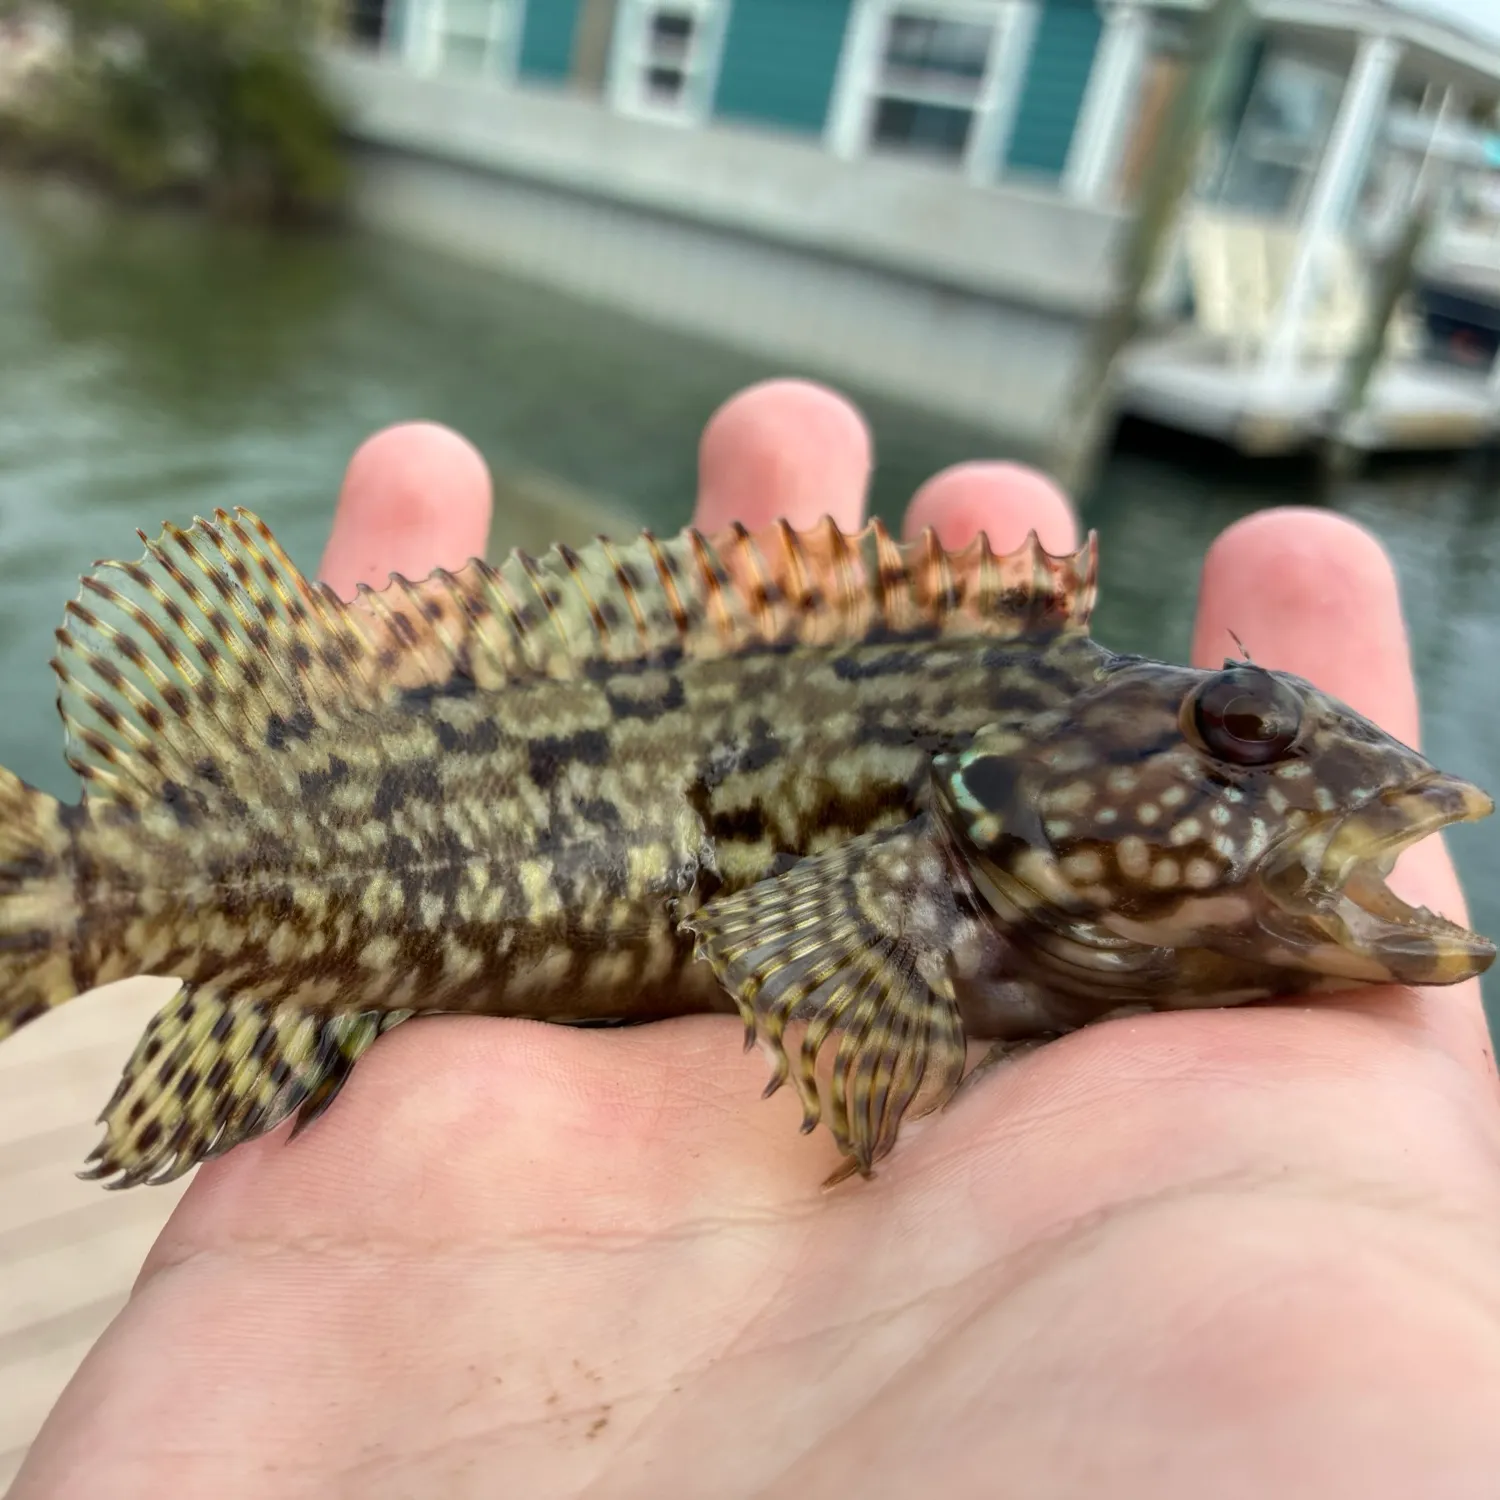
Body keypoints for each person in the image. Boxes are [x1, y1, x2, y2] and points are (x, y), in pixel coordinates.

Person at [13, 380, 1500, 1499]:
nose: (1266, 770)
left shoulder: (1007, 816)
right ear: (1001, 778)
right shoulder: (947, 819)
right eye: (1239, 737)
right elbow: (815, 932)